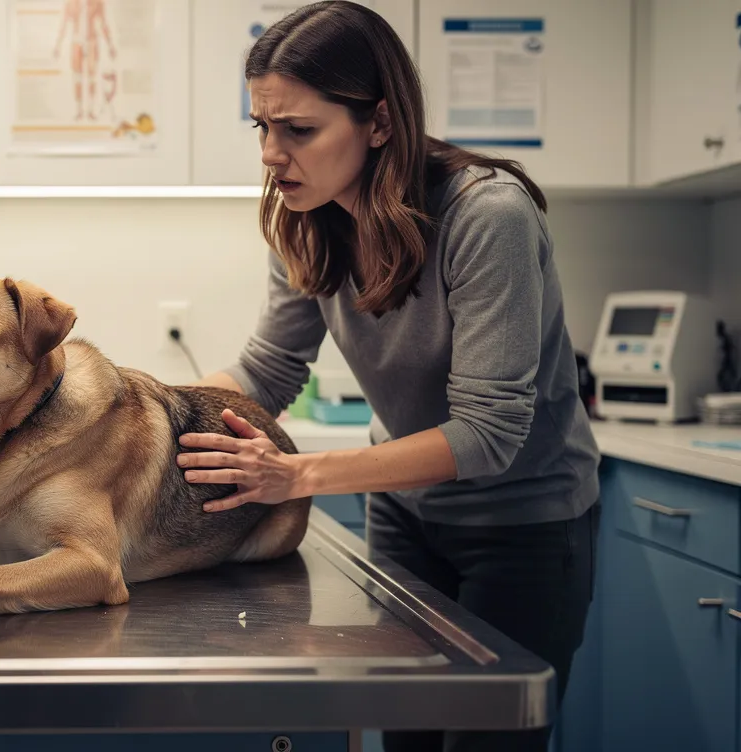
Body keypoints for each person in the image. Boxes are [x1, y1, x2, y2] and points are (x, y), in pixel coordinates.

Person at [176, 3, 600, 750]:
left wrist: (297, 475)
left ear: (378, 123)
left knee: (486, 741)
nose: (272, 155)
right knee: (405, 734)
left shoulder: (485, 217)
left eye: (299, 130)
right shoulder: (306, 217)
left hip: (525, 527)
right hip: (405, 518)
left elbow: (487, 434)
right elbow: (270, 368)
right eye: (262, 128)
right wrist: (149, 415)